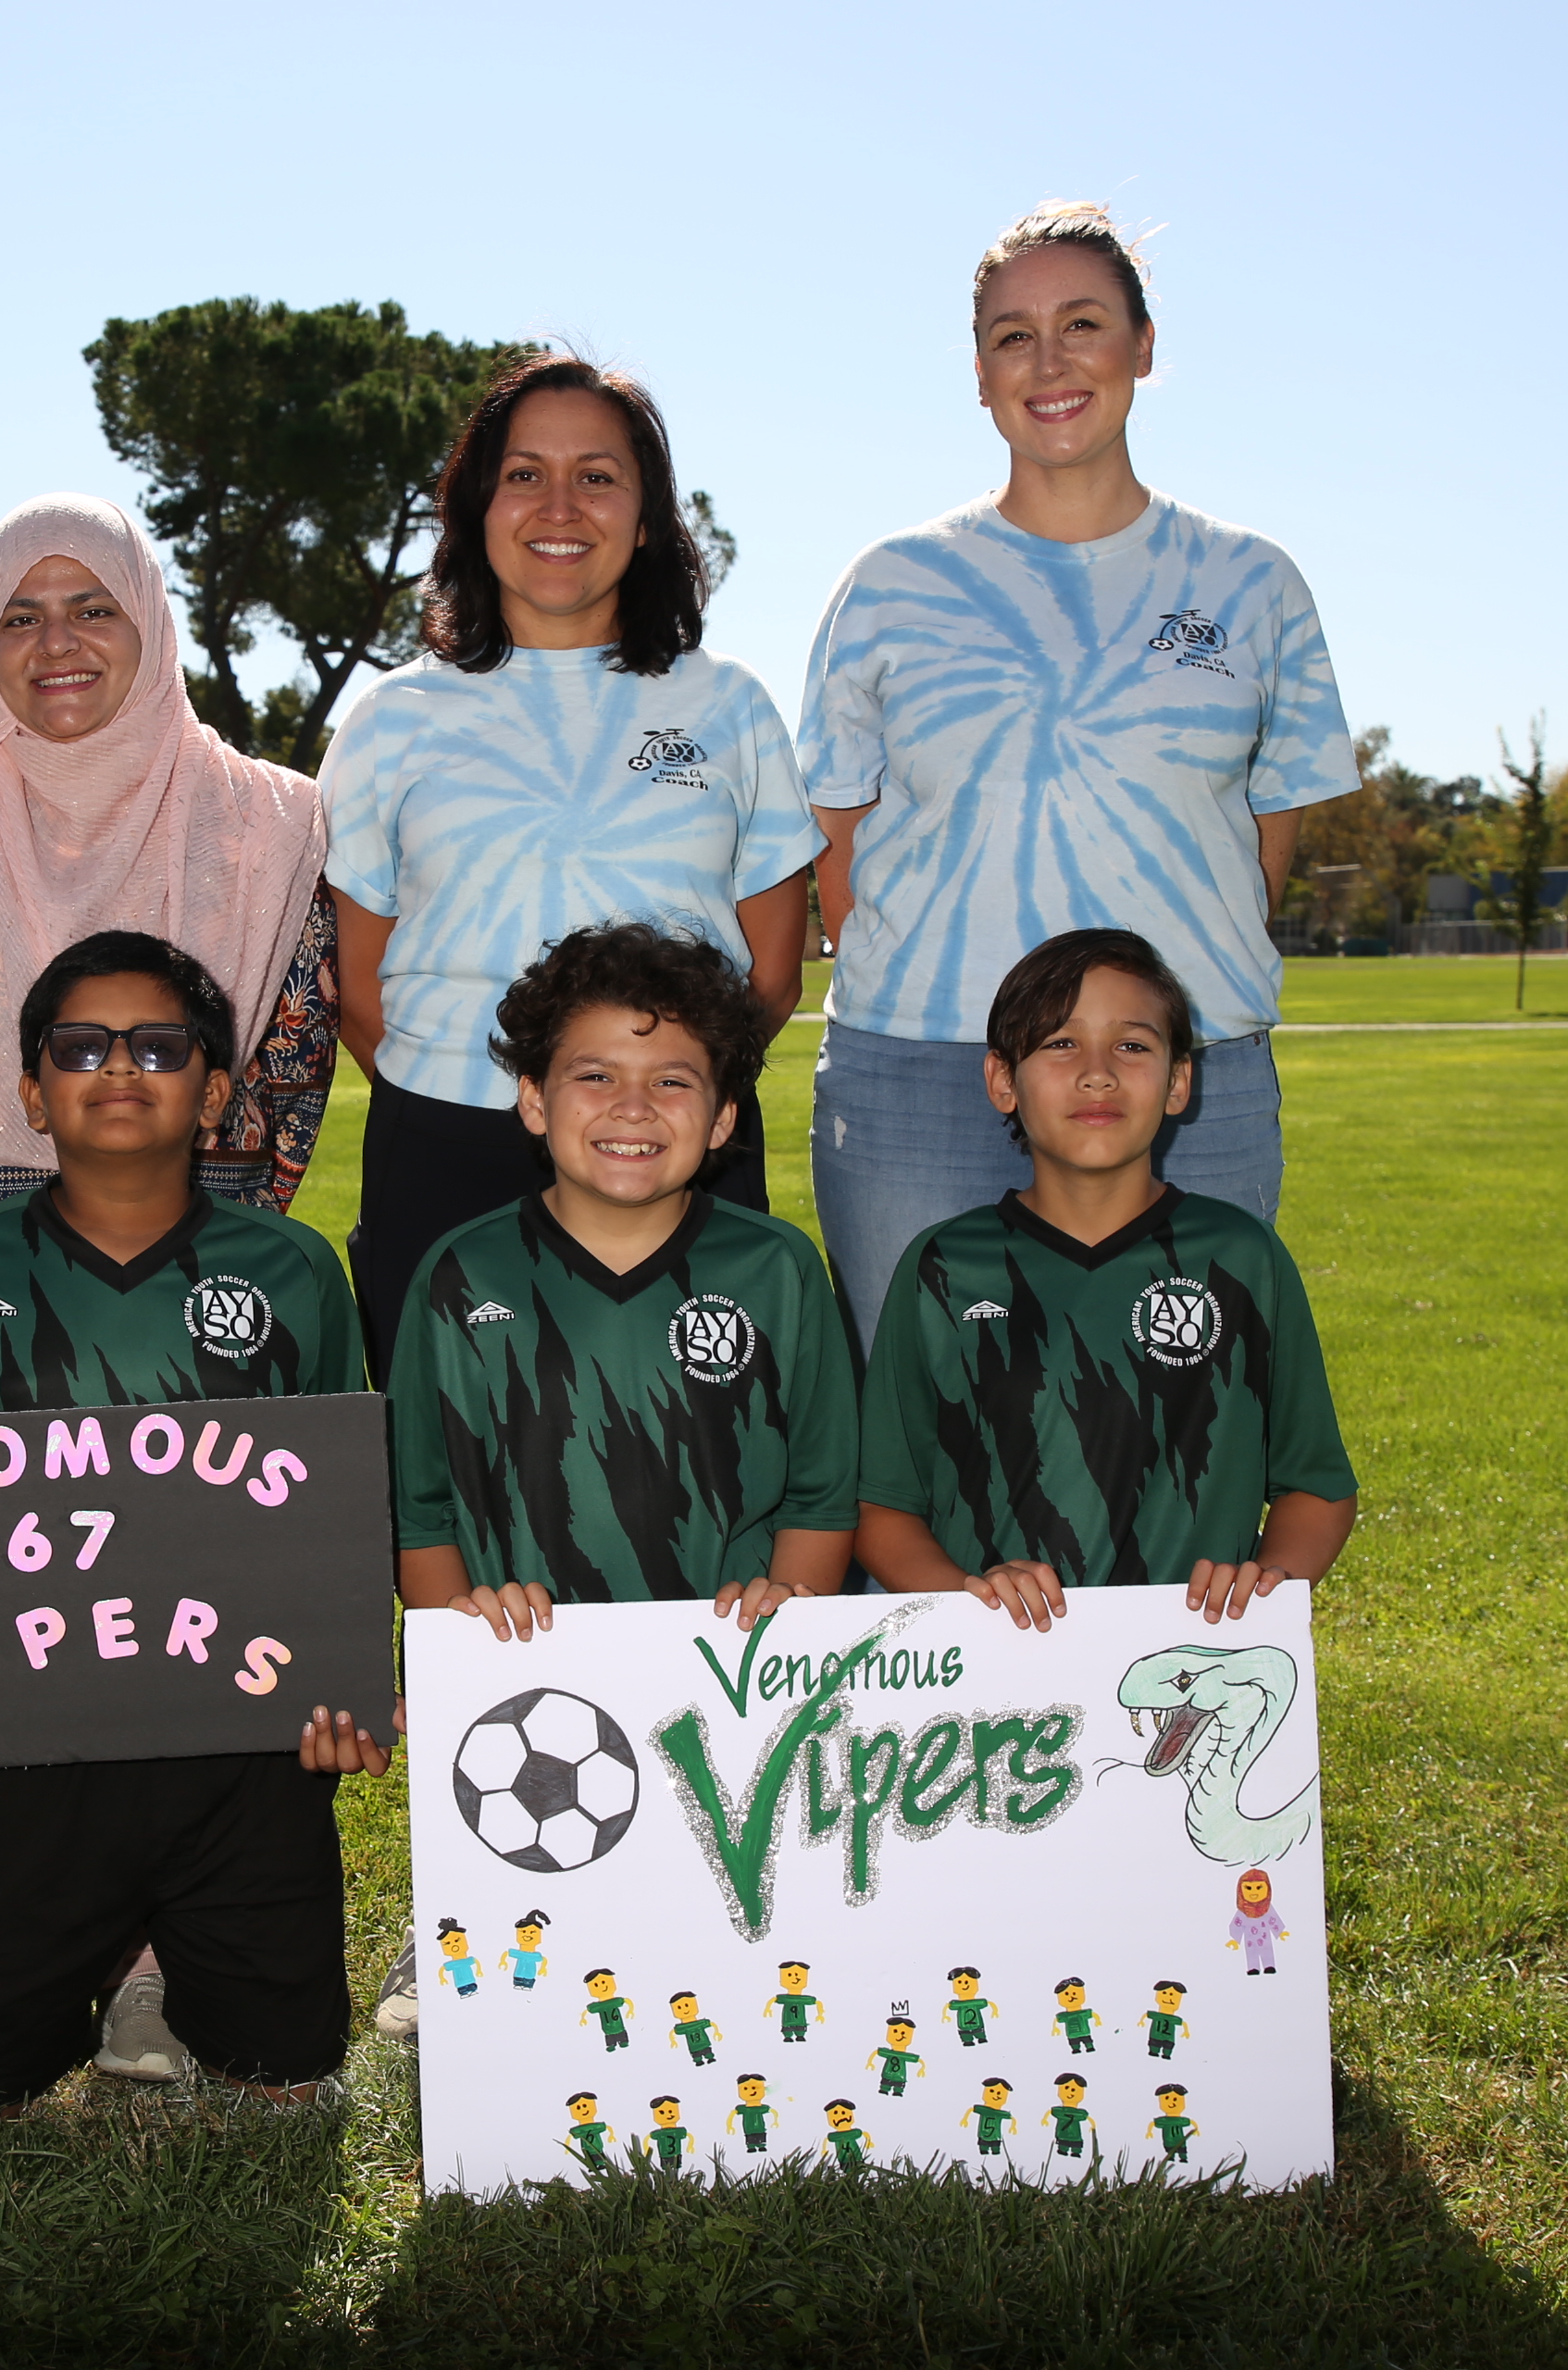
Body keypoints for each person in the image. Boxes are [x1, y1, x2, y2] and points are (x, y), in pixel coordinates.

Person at [0, 494, 339, 2082]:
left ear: (150, 622)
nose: (58, 644)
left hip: (180, 1276)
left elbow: (287, 1057)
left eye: (92, 605)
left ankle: (158, 1973)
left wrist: (191, 1241)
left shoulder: (271, 821)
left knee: (177, 1619)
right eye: (19, 615)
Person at [0, 933, 387, 2106]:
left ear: (216, 1091)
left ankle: (174, 1970)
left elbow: (332, 1516)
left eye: (161, 1045)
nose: (121, 1067)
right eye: (81, 1046)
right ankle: (32, 1967)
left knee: (284, 2068)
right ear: (34, 1093)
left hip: (230, 1744)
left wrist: (341, 1689)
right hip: (16, 1737)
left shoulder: (293, 1270)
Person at [800, 200, 1359, 1347]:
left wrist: (1163, 1005)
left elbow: (1264, 842)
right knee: (923, 1433)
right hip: (925, 1076)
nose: (1049, 363)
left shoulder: (1254, 583)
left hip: (1185, 1081)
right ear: (979, 374)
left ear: (1144, 347)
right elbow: (836, 840)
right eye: (1014, 336)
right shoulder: (892, 583)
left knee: (1176, 1427)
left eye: (1084, 324)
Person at [371, 925, 853, 2041]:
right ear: (533, 1101)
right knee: (534, 1888)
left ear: (723, 1118)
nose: (633, 1106)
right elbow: (422, 1505)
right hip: (527, 1676)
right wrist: (461, 1645)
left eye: (673, 1081)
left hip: (731, 1673)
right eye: (594, 1075)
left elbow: (823, 1493)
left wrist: (791, 1612)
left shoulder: (777, 1269)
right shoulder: (461, 1273)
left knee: (726, 1952)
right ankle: (461, 1901)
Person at [323, 352, 823, 1375]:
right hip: (446, 1151)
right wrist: (492, 1103)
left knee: (698, 1449)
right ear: (477, 507)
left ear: (646, 520)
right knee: (451, 1456)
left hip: (674, 1150)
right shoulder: (389, 719)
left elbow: (771, 973)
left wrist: (653, 1099)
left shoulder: (728, 705)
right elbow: (358, 988)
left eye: (597, 476)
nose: (561, 506)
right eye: (524, 474)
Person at [852, 929, 1358, 1632]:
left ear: (1178, 1081)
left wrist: (1264, 1590)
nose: (1098, 1074)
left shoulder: (1241, 1258)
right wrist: (972, 1599)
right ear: (1003, 1080)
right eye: (1061, 1043)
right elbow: (881, 1508)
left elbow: (1317, 1486)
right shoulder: (944, 1267)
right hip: (1004, 1674)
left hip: (1186, 1656)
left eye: (1133, 1046)